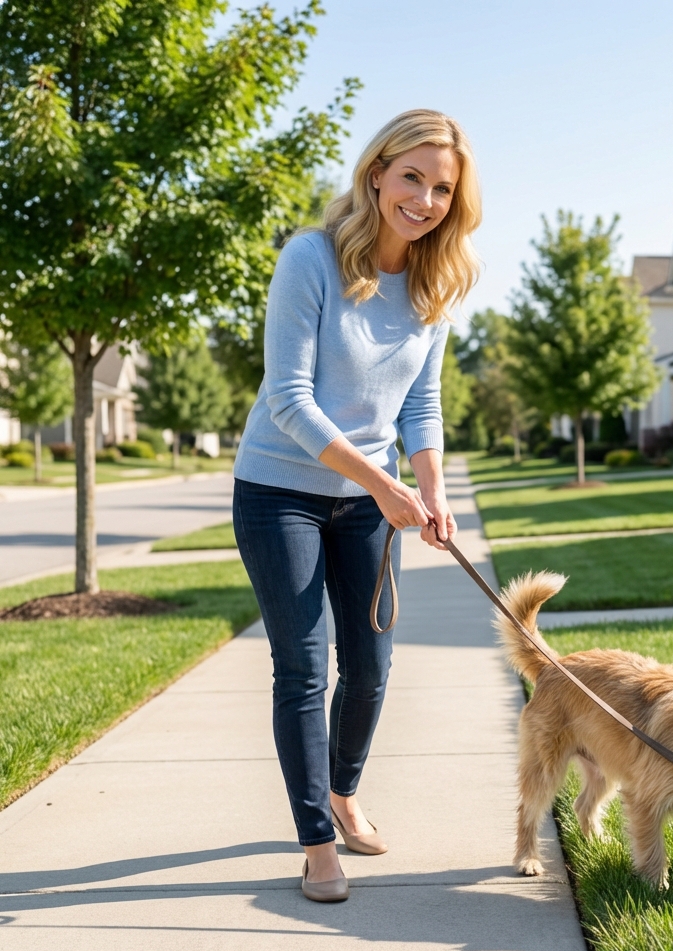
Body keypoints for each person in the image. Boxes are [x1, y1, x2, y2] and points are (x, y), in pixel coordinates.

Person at [232, 110, 481, 902]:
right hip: (281, 494)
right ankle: (316, 841)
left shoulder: (436, 281)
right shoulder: (310, 258)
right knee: (303, 665)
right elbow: (289, 401)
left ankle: (344, 793)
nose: (426, 198)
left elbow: (421, 404)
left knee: (371, 666)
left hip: (371, 501)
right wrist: (384, 484)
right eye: (412, 177)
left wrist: (431, 491)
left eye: (443, 187)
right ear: (377, 173)